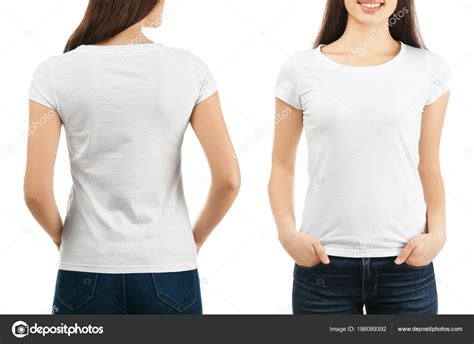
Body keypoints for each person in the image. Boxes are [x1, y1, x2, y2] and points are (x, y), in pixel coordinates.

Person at [24, 0, 240, 314]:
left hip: (85, 271)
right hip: (170, 270)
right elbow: (229, 180)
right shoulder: (189, 69)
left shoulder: (54, 72)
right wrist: (192, 242)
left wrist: (68, 243)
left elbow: (35, 194)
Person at [269, 0, 450, 314]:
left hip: (406, 265)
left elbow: (429, 164)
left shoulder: (429, 69)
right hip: (323, 267)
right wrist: (287, 234)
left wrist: (438, 234)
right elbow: (281, 164)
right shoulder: (300, 69)